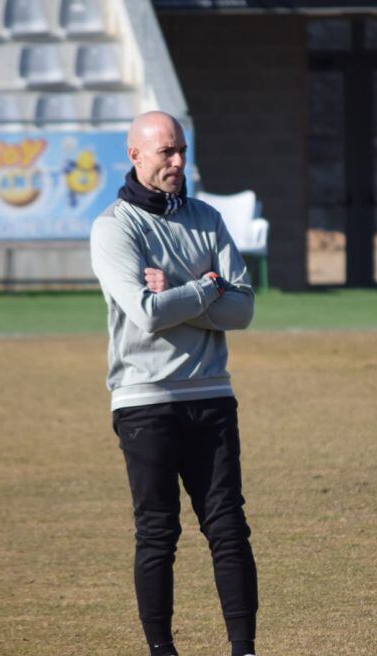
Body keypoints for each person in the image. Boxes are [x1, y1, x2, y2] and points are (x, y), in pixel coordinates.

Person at [90, 111, 259, 656]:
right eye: (166, 152)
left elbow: (243, 309)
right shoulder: (114, 227)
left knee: (228, 528)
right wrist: (211, 286)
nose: (178, 162)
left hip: (211, 392)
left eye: (181, 150)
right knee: (159, 534)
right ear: (135, 155)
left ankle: (244, 649)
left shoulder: (207, 218)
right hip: (144, 401)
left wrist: (189, 289)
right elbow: (145, 314)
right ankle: (162, 651)